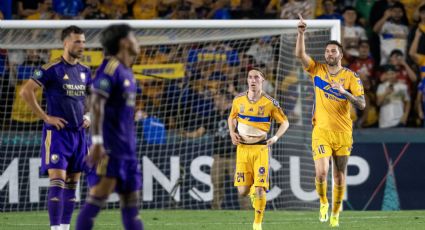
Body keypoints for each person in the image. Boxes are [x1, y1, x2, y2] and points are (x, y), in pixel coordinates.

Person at [295, 14, 366, 227]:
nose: (329, 54)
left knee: (339, 175)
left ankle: (335, 214)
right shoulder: (318, 70)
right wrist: (301, 33)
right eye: (327, 51)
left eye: (333, 51)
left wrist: (345, 92)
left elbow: (361, 104)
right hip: (321, 130)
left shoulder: (351, 77)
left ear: (341, 55)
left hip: (343, 133)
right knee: (321, 172)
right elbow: (300, 55)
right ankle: (323, 202)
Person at [19, 25, 91, 230]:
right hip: (58, 134)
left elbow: (92, 99)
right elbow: (26, 91)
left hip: (79, 134)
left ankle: (65, 228)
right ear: (65, 43)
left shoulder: (85, 71)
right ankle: (54, 228)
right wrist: (45, 117)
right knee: (58, 180)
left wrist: (89, 116)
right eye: (77, 41)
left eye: (84, 41)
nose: (82, 45)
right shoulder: (51, 68)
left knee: (72, 184)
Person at [76, 24, 143, 230]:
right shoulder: (110, 68)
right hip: (110, 150)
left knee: (131, 204)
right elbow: (95, 103)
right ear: (124, 41)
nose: (137, 41)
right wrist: (96, 142)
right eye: (134, 36)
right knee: (97, 198)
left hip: (127, 150)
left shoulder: (127, 71)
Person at [228, 68, 290, 230]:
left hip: (261, 149)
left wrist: (275, 137)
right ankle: (253, 193)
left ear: (263, 80)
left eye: (256, 77)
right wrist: (232, 132)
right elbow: (232, 117)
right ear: (247, 80)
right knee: (242, 191)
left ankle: (257, 223)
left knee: (260, 187)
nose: (253, 80)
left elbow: (285, 122)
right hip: (242, 149)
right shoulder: (238, 100)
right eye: (250, 77)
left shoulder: (270, 102)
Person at [210, 90, 249, 210]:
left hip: (234, 156)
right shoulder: (214, 115)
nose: (215, 101)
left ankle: (247, 210)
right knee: (216, 185)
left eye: (217, 98)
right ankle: (215, 211)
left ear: (225, 99)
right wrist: (186, 134)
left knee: (241, 185)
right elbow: (201, 130)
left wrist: (232, 92)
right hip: (218, 157)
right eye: (214, 99)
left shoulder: (236, 113)